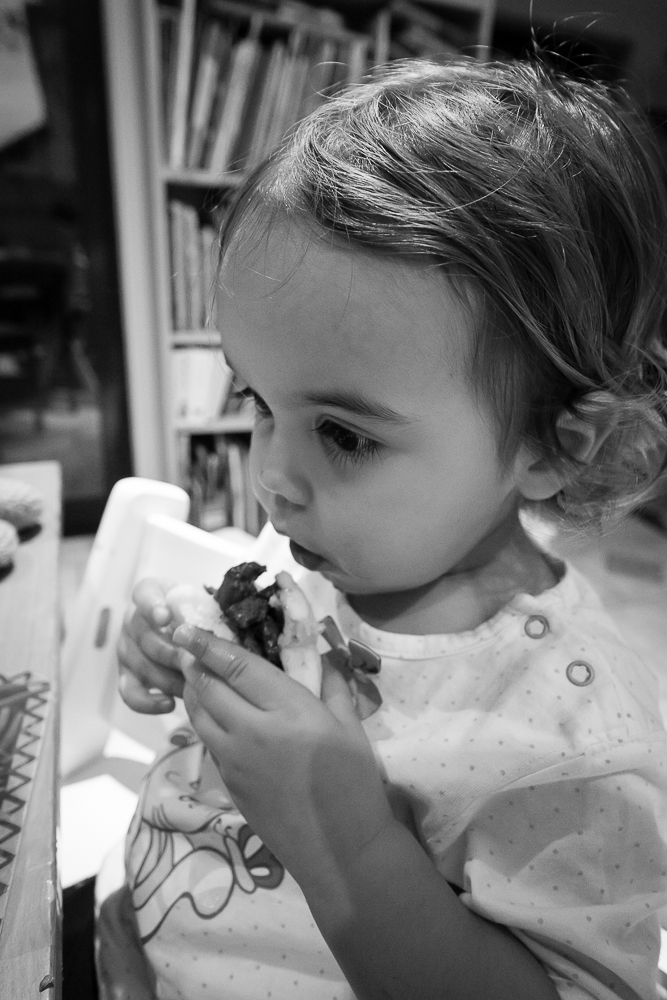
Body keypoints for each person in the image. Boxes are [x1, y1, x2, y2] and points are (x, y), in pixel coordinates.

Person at [100, 57, 667, 1000]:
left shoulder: (574, 742)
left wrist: (348, 841)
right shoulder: (325, 554)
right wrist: (175, 644)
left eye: (344, 435)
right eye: (257, 400)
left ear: (553, 445)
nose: (271, 481)